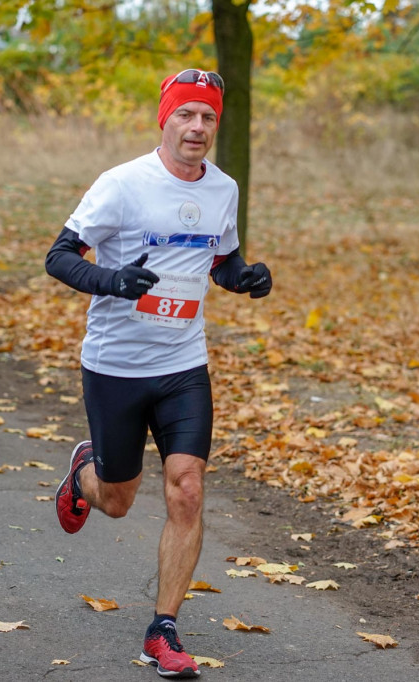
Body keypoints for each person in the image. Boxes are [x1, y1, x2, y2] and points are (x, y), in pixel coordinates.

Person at [45, 68, 272, 679]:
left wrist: (243, 278)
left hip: (182, 366)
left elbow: (220, 260)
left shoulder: (222, 189)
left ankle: (162, 628)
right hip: (115, 366)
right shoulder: (121, 185)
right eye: (186, 115)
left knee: (187, 489)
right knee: (117, 501)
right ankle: (83, 476)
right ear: (164, 119)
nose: (197, 128)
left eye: (208, 118)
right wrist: (112, 282)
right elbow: (60, 256)